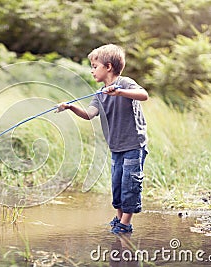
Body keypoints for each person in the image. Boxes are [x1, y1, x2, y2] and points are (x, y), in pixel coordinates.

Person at [56, 44, 149, 234]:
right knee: (117, 184)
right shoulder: (99, 94)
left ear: (108, 67)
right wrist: (70, 107)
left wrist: (120, 92)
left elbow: (144, 95)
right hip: (116, 146)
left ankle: (125, 224)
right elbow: (89, 114)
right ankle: (118, 217)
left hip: (133, 144)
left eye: (94, 66)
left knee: (130, 184)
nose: (91, 70)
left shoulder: (125, 83)